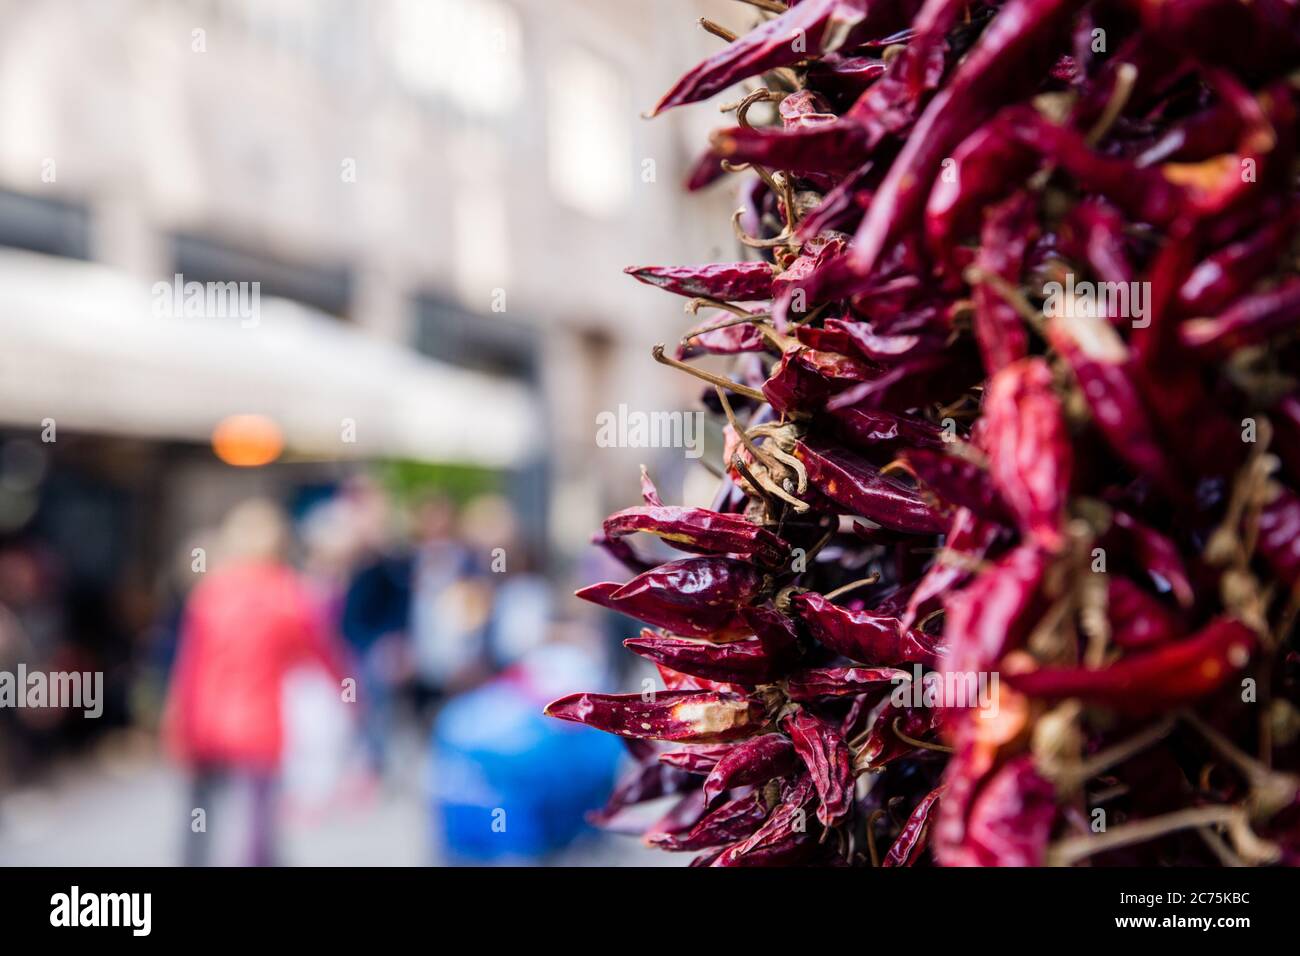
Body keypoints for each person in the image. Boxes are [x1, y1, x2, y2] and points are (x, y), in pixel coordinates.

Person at [162, 498, 345, 866]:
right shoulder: (289, 595)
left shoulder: (211, 593)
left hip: (206, 721)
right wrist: (350, 696)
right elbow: (321, 655)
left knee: (199, 820)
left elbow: (188, 665)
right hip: (260, 724)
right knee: (258, 824)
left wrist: (176, 717)